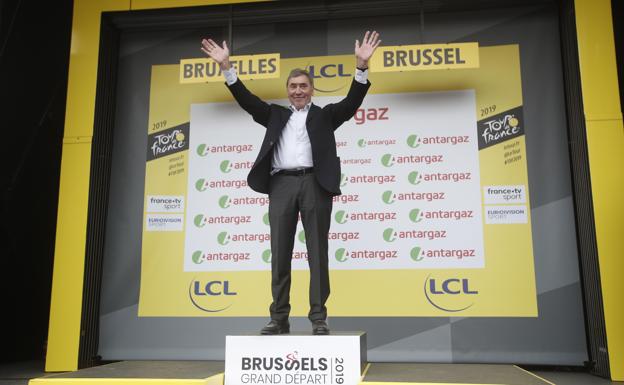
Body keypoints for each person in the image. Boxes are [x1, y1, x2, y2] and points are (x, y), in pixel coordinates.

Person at [201, 31, 381, 335]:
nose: (298, 91)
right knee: (280, 252)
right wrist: (226, 68)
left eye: (303, 86)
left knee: (317, 253)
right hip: (281, 185)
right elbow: (246, 101)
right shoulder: (273, 114)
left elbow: (352, 102)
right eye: (293, 86)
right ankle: (279, 317)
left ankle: (318, 317)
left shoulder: (326, 116)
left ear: (312, 90)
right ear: (287, 91)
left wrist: (361, 66)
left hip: (315, 184)